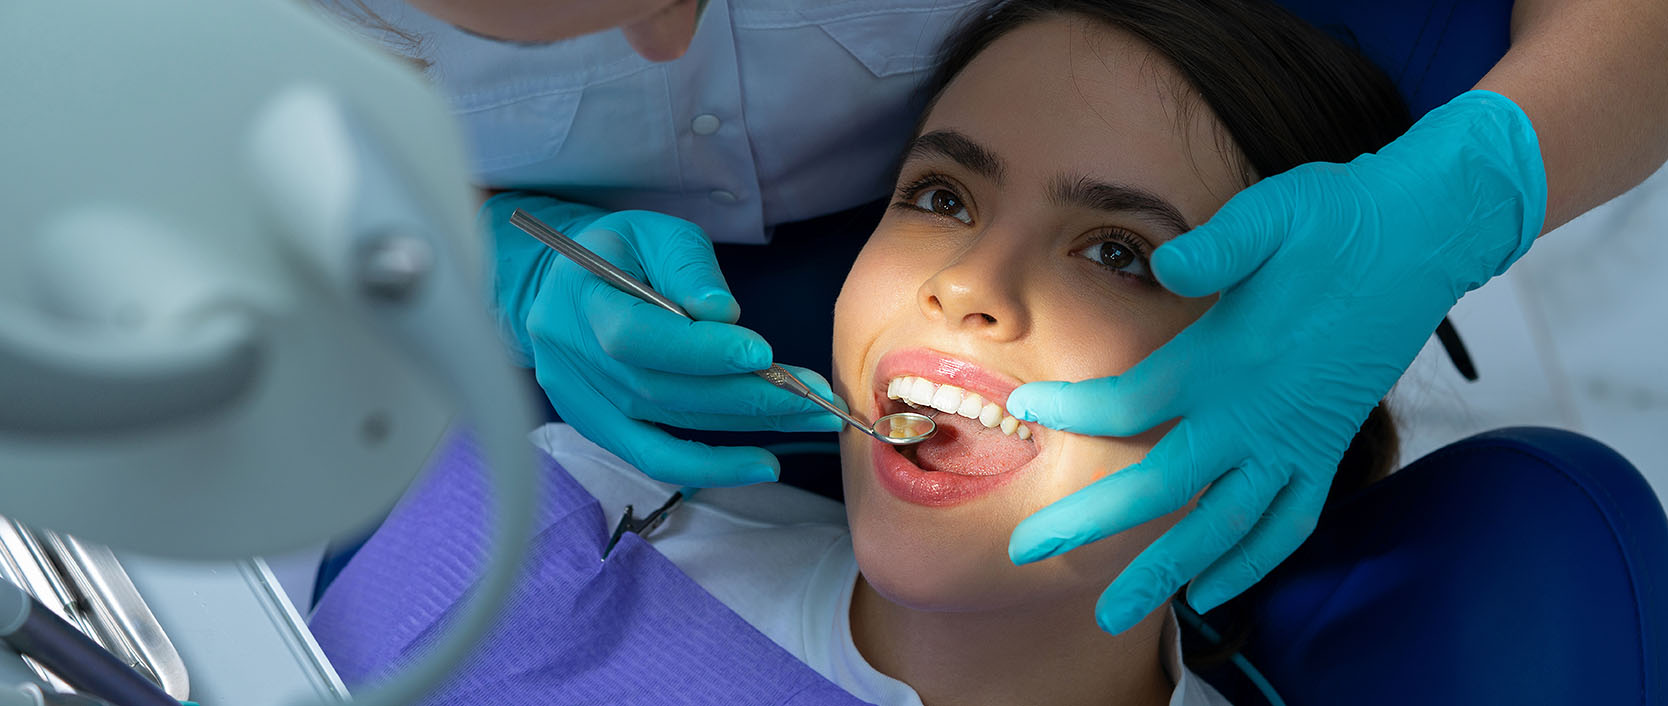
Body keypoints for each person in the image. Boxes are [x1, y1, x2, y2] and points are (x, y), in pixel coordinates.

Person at [324, 0, 1668, 635]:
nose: (671, 41)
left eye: (1115, 253)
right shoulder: (531, 543)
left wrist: (1476, 186)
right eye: (940, 197)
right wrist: (481, 253)